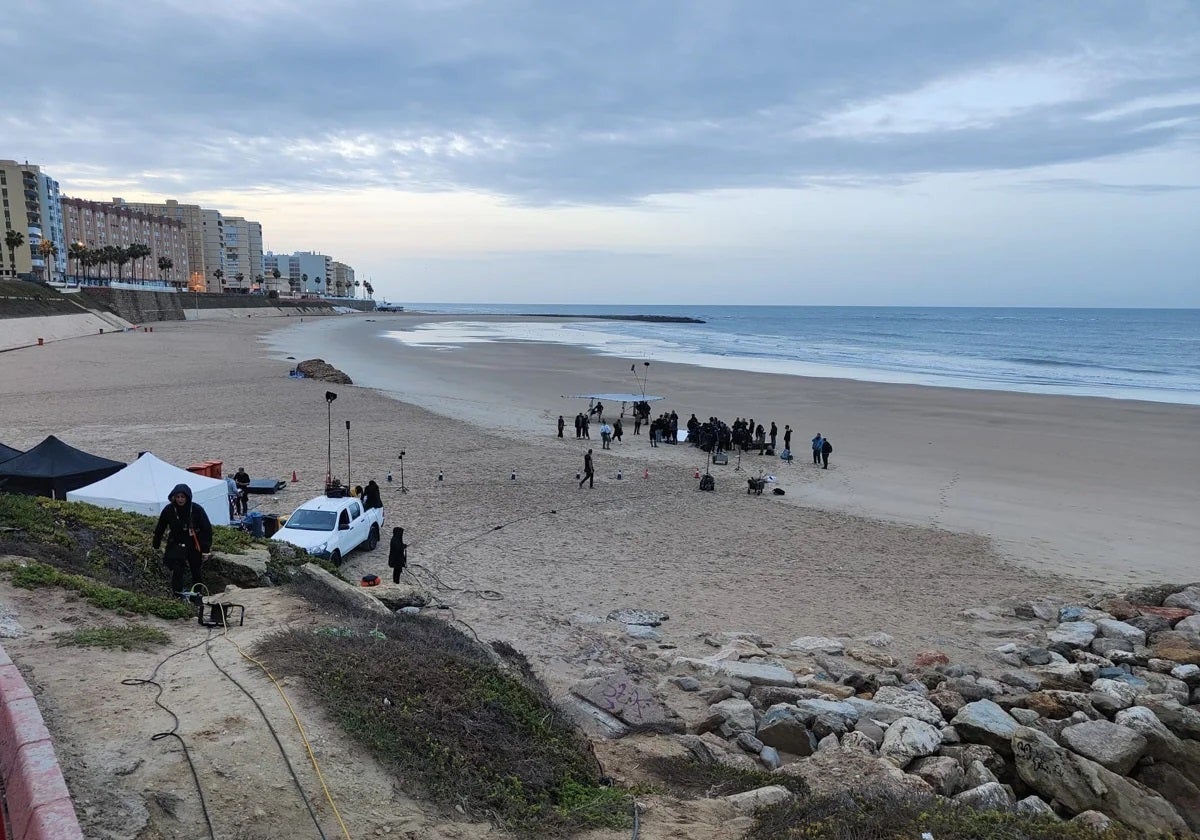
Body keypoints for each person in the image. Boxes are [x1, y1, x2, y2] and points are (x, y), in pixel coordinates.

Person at [152, 483, 213, 602]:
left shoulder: (196, 509)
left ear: (187, 497)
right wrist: (156, 544)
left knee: (196, 570)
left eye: (183, 497)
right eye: (178, 497)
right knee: (177, 570)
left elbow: (207, 529)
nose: (180, 499)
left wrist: (206, 550)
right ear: (173, 497)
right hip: (176, 543)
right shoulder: (169, 510)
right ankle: (177, 596)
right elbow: (160, 528)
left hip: (194, 543)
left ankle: (197, 597)